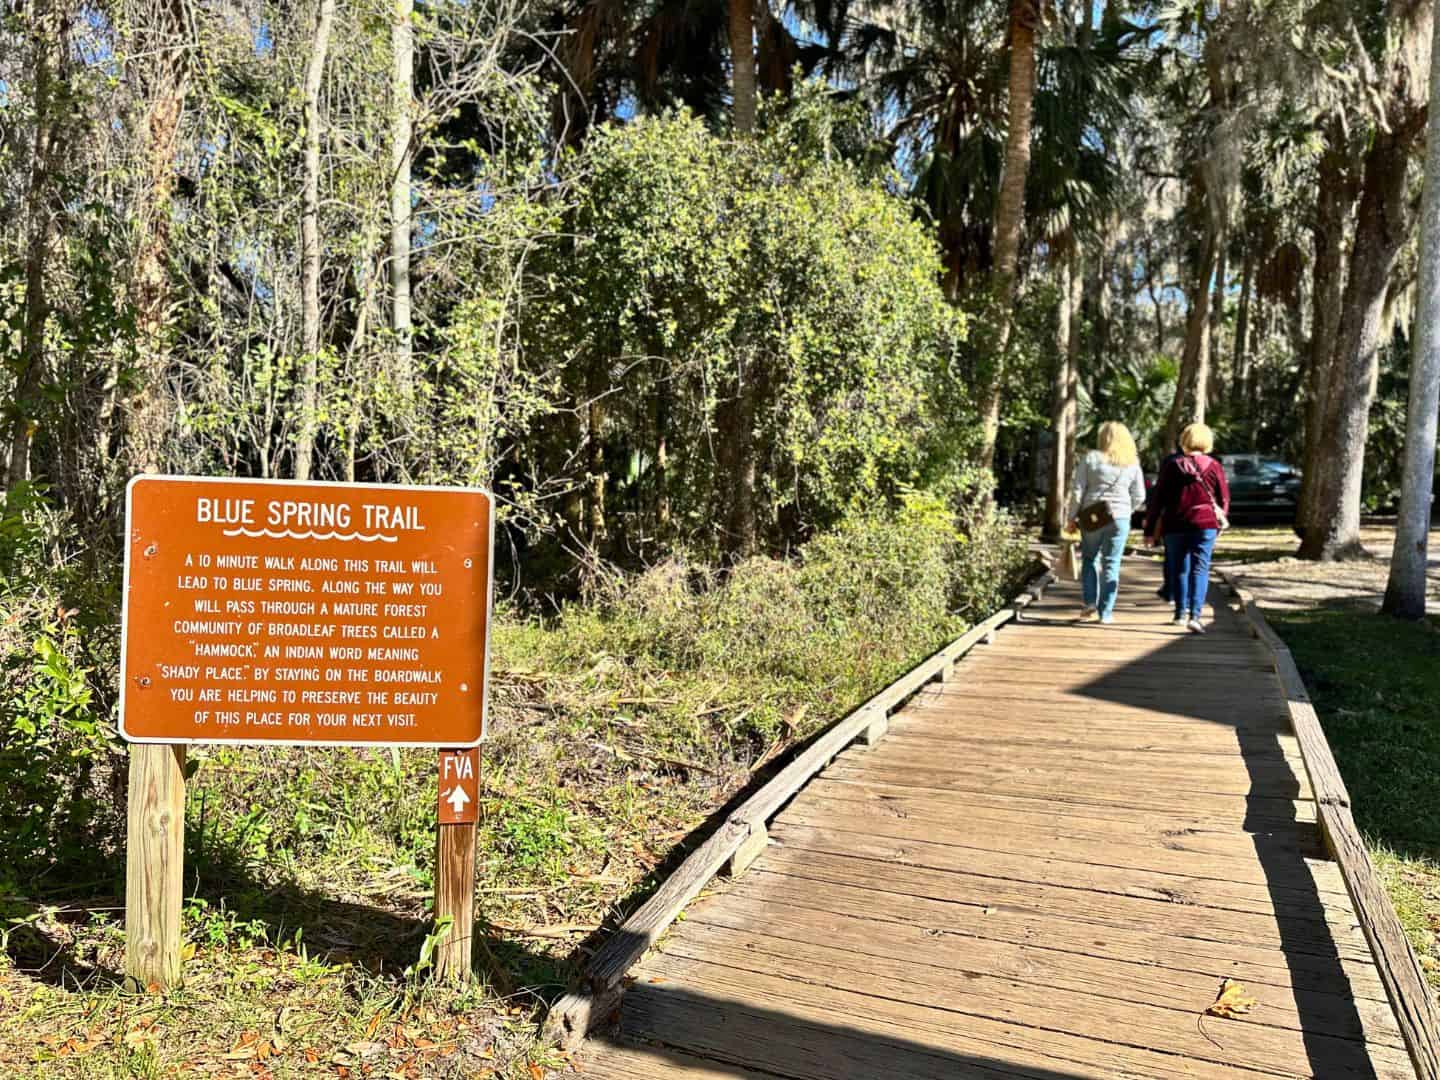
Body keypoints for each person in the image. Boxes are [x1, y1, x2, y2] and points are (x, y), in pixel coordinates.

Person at [1144, 422, 1230, 634]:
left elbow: (1158, 498)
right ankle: (1195, 616)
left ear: (1184, 440)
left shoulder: (1172, 465)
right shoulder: (1213, 465)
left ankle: (1180, 614)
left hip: (1175, 523)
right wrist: (1221, 518)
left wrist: (1149, 530)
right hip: (1205, 523)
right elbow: (1224, 497)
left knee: (1179, 569)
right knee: (1200, 568)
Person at [1067, 421, 1146, 624]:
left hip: (1092, 516)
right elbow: (1140, 495)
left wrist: (1071, 518)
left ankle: (1090, 603)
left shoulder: (1090, 458)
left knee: (1089, 558)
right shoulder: (1132, 462)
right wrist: (1127, 510)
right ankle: (1107, 613)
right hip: (1120, 517)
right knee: (1112, 563)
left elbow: (1077, 491)